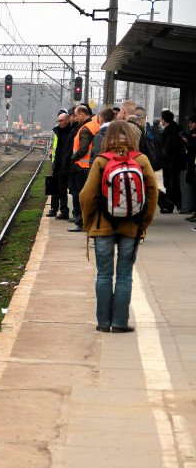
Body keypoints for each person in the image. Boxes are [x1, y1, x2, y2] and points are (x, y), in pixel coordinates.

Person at [79, 120, 157, 333]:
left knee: (104, 275)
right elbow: (152, 194)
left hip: (102, 226)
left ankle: (103, 323)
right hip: (131, 226)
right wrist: (144, 223)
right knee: (124, 275)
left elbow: (86, 196)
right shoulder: (141, 160)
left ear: (107, 137)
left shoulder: (102, 161)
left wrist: (88, 222)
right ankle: (120, 322)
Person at [67, 104, 99, 232]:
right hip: (88, 166)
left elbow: (83, 148)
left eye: (76, 115)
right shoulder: (94, 124)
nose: (74, 118)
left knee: (81, 196)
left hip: (82, 167)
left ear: (81, 114)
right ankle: (85, 221)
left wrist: (73, 158)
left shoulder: (86, 128)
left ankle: (81, 222)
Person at [160, 109, 187, 214]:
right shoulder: (178, 129)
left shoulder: (167, 132)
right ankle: (176, 205)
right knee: (173, 183)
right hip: (175, 162)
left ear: (164, 120)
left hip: (170, 162)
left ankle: (174, 205)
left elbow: (166, 149)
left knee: (170, 184)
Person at [48, 111, 72, 219]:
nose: (60, 122)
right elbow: (53, 144)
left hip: (66, 163)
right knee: (54, 186)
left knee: (62, 188)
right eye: (59, 121)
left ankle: (64, 210)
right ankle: (53, 208)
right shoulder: (55, 131)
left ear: (67, 120)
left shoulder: (71, 130)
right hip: (56, 162)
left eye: (62, 120)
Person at [184, 114, 196, 224]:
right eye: (189, 122)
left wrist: (187, 140)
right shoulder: (192, 135)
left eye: (192, 122)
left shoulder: (193, 136)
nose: (190, 124)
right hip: (192, 165)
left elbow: (192, 147)